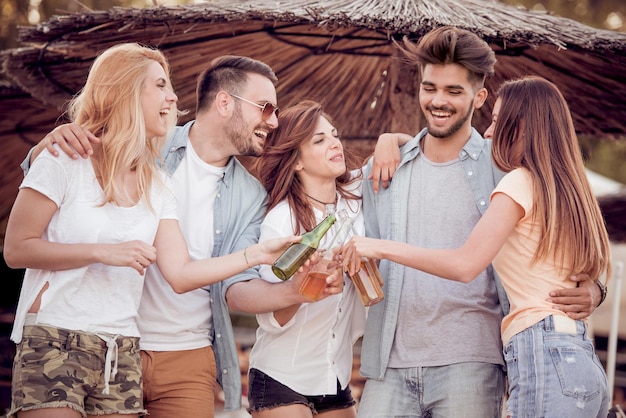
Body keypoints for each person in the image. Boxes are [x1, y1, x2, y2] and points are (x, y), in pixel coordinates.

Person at [21, 55, 344, 417]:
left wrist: (290, 289)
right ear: (225, 103)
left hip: (185, 356)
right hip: (107, 338)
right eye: (266, 108)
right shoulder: (145, 146)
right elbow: (55, 183)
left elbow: (220, 283)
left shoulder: (250, 196)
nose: (273, 120)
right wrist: (43, 146)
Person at [342, 26, 603, 418]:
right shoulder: (384, 168)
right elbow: (329, 206)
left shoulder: (506, 166)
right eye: (430, 88)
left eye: (453, 91)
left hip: (472, 363)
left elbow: (570, 225)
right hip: (388, 364)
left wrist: (596, 288)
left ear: (479, 97)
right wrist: (387, 139)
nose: (438, 101)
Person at [242, 100, 366, 417]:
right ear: (296, 161)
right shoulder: (281, 222)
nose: (335, 143)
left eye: (334, 134)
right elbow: (272, 319)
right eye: (319, 140)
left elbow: (406, 152)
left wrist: (393, 139)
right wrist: (304, 288)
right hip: (281, 375)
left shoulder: (355, 202)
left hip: (333, 377)